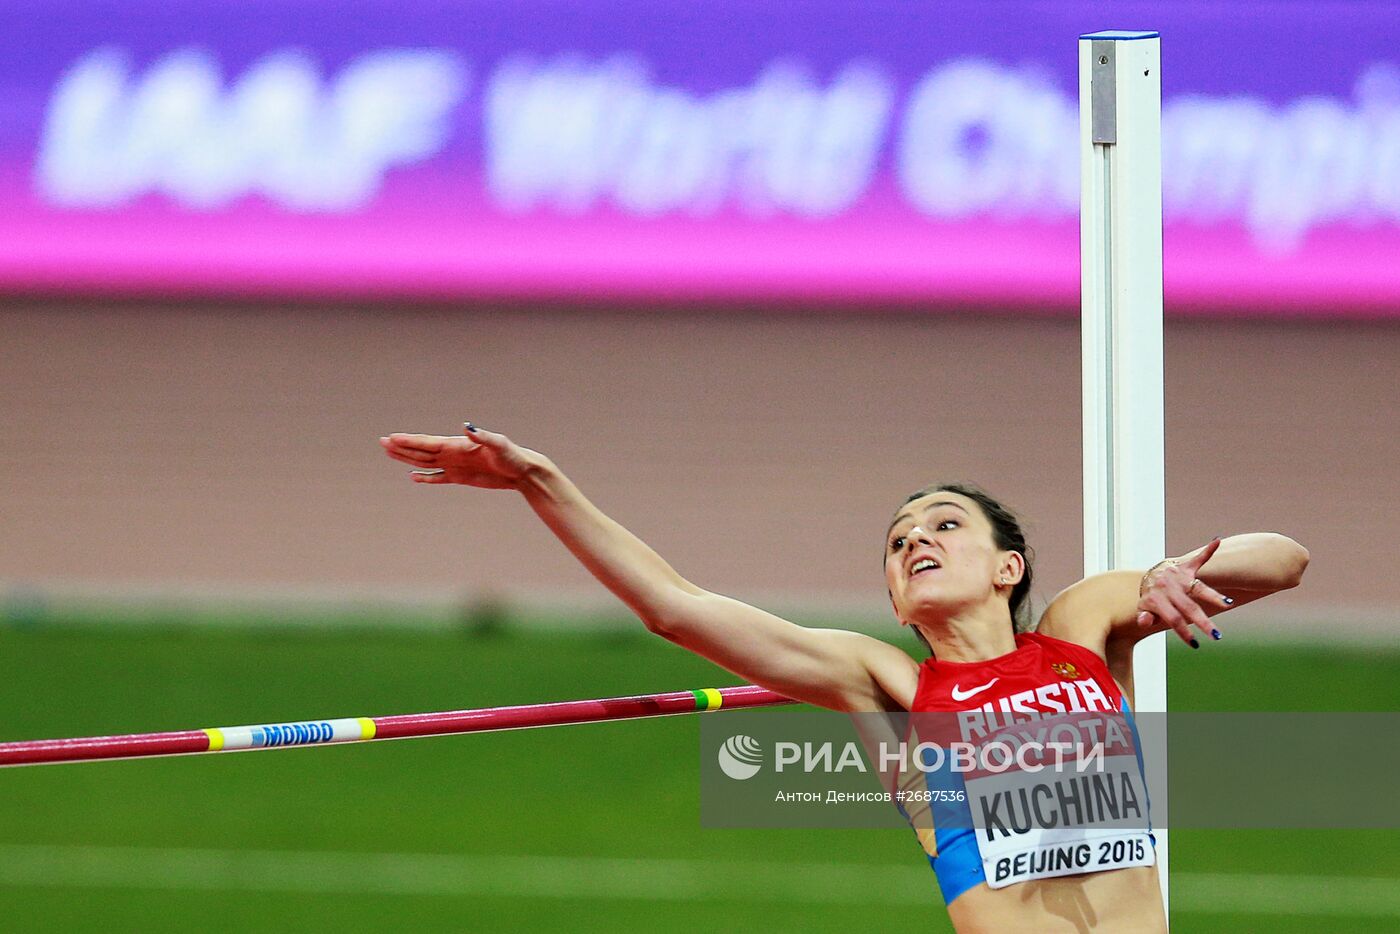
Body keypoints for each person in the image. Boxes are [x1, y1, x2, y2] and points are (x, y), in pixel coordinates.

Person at [379, 422, 1309, 933]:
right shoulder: (888, 683)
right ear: (898, 604)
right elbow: (674, 606)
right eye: (900, 543)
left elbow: (1285, 562)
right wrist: (545, 483)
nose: (916, 543)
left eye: (944, 526)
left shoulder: (1081, 626)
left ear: (1007, 568)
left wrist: (1176, 573)